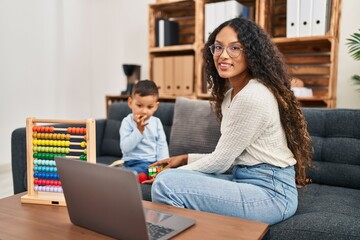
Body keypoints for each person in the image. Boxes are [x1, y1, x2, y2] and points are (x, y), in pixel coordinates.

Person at [146, 18, 312, 225]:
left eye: (235, 48)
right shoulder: (231, 95)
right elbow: (230, 157)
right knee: (171, 181)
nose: (223, 55)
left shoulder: (253, 95)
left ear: (251, 53)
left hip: (271, 194)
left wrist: (173, 171)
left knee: (166, 184)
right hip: (244, 179)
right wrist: (184, 159)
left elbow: (221, 161)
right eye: (218, 47)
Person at [113, 79, 169, 174]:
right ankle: (131, 175)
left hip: (151, 163)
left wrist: (164, 165)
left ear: (156, 106)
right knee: (131, 172)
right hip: (131, 162)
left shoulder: (156, 122)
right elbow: (125, 148)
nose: (144, 111)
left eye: (149, 107)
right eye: (139, 105)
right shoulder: (127, 122)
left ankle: (141, 175)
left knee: (161, 173)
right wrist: (139, 131)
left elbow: (162, 146)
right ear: (130, 103)